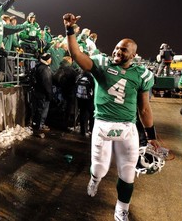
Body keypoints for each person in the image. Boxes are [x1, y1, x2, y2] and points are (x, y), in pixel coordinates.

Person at [63, 13, 160, 221]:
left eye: (123, 50)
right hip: (103, 125)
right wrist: (69, 30)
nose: (117, 51)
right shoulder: (101, 64)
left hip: (127, 127)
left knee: (127, 172)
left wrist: (151, 135)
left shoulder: (141, 74)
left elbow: (144, 108)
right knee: (100, 168)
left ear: (133, 55)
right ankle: (94, 179)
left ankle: (121, 208)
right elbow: (77, 55)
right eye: (116, 48)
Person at [31, 53, 53, 133]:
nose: (51, 60)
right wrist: (49, 94)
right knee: (42, 110)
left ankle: (37, 124)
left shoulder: (38, 67)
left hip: (38, 91)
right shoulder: (45, 69)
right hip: (43, 93)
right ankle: (39, 125)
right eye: (50, 58)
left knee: (38, 109)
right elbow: (46, 82)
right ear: (47, 59)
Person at [75, 71, 95, 136]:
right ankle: (91, 130)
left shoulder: (79, 76)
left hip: (80, 98)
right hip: (89, 99)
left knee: (82, 113)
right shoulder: (91, 77)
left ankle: (82, 130)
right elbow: (94, 88)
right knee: (91, 114)